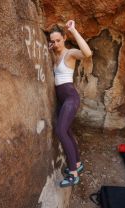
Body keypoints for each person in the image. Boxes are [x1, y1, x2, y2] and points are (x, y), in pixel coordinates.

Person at [49, 20, 92, 187]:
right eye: (53, 41)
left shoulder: (70, 53)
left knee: (60, 131)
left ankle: (73, 173)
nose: (56, 44)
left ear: (64, 38)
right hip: (62, 99)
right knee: (67, 130)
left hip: (70, 98)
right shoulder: (55, 53)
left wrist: (74, 30)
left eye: (59, 40)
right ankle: (78, 164)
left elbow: (87, 53)